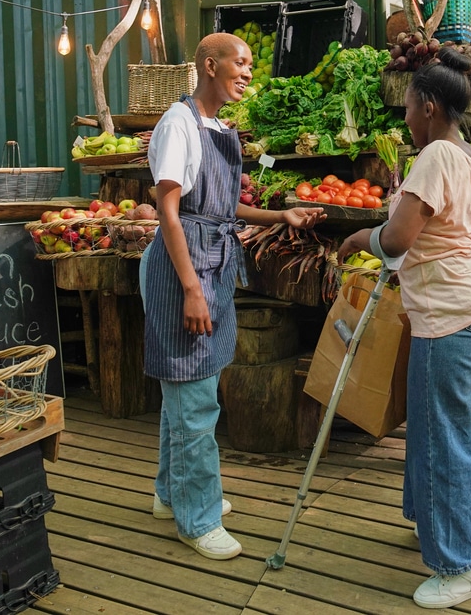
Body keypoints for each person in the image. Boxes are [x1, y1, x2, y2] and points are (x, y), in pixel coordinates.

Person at [141, 32, 324, 560]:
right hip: (185, 267)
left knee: (188, 387)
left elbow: (220, 208)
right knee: (196, 398)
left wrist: (278, 216)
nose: (248, 71)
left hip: (211, 258)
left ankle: (169, 493)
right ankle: (197, 519)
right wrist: (192, 290)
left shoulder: (219, 126)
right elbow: (169, 212)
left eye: (249, 64)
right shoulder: (179, 124)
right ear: (208, 64)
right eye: (239, 63)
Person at [338, 47, 471, 609]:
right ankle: (444, 522)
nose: (403, 121)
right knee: (442, 426)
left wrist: (361, 239)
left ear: (429, 107)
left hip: (450, 318)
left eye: (407, 109)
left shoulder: (433, 155)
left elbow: (395, 240)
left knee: (441, 435)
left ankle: (463, 565)